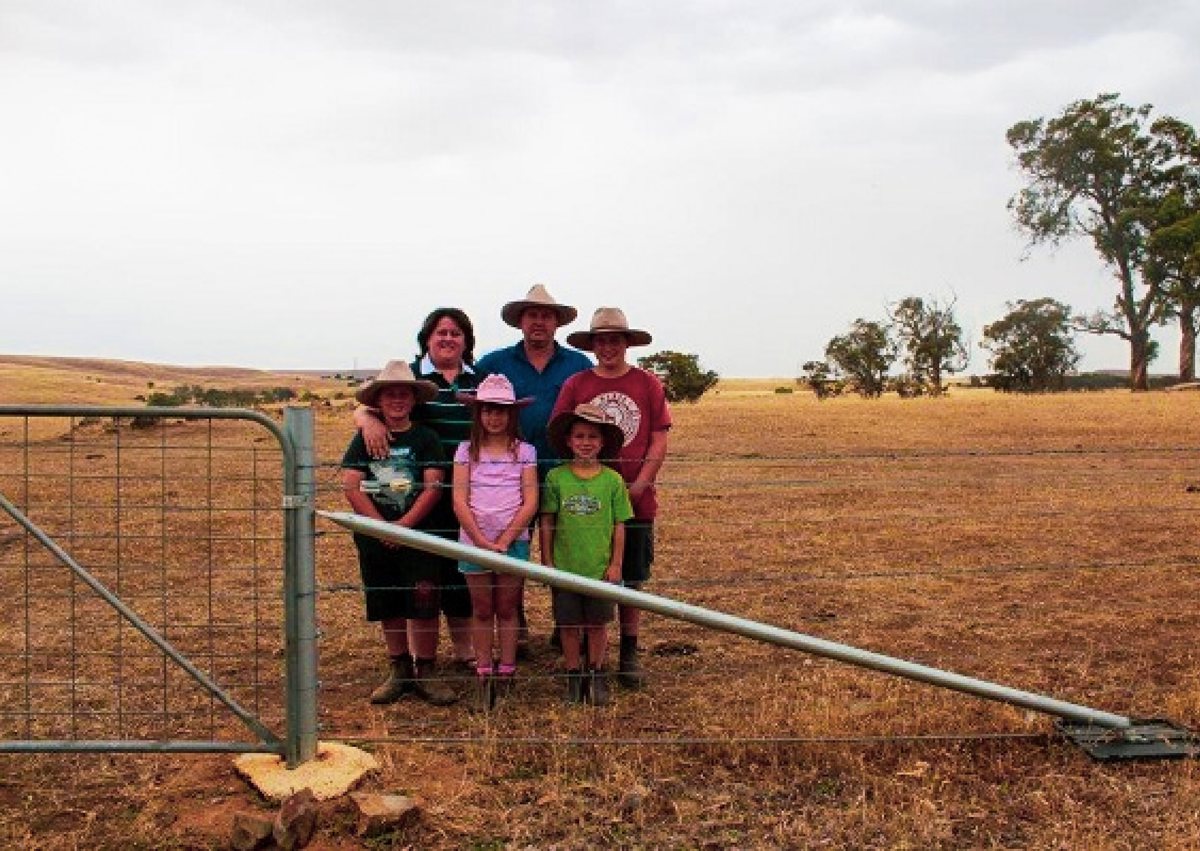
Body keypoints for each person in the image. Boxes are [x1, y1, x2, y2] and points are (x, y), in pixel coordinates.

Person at [552, 307, 672, 689]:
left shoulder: (648, 384)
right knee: (586, 572)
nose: (608, 347)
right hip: (585, 503)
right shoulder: (576, 384)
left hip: (635, 498)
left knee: (630, 577)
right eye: (601, 340)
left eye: (615, 339)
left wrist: (640, 484)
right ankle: (588, 658)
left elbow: (658, 436)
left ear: (626, 343)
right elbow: (564, 430)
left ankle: (629, 653)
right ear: (592, 345)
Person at [354, 308, 478, 669]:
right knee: (420, 578)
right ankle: (415, 660)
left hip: (467, 495)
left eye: (456, 333)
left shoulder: (480, 378)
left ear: (467, 340)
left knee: (461, 577)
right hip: (418, 497)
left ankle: (465, 653)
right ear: (426, 338)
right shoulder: (410, 377)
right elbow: (374, 404)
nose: (448, 339)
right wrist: (366, 420)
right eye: (441, 332)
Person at [475, 284, 592, 651]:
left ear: (556, 322)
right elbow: (462, 396)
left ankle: (567, 622)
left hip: (565, 472)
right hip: (507, 475)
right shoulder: (493, 364)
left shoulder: (578, 365)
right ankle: (517, 624)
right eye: (532, 315)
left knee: (566, 546)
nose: (539, 322)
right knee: (512, 545)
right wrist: (366, 412)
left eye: (546, 315)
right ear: (520, 321)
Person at [340, 361, 458, 706]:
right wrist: (379, 526)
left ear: (413, 399)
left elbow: (433, 486)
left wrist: (405, 528)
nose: (397, 400)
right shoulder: (363, 439)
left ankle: (426, 669)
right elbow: (351, 485)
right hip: (375, 535)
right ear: (378, 399)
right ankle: (399, 668)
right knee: (387, 599)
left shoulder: (426, 438)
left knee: (423, 598)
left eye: (403, 394)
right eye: (390, 394)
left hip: (420, 534)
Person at [451, 374, 539, 711]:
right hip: (473, 542)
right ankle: (483, 670)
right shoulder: (465, 451)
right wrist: (480, 540)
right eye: (488, 410)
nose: (494, 417)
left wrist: (504, 540)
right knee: (482, 608)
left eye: (501, 410)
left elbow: (529, 501)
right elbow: (459, 500)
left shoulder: (525, 452)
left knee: (507, 606)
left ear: (512, 414)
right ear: (478, 413)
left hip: (512, 541)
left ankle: (507, 669)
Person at [540, 404, 632, 706]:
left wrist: (616, 563)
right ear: (568, 440)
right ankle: (573, 674)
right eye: (579, 436)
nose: (585, 442)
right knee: (568, 625)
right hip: (566, 567)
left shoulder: (612, 481)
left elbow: (620, 525)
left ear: (603, 441)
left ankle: (596, 672)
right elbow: (548, 521)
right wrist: (548, 562)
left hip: (600, 568)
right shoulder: (556, 478)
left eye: (592, 436)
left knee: (597, 624)